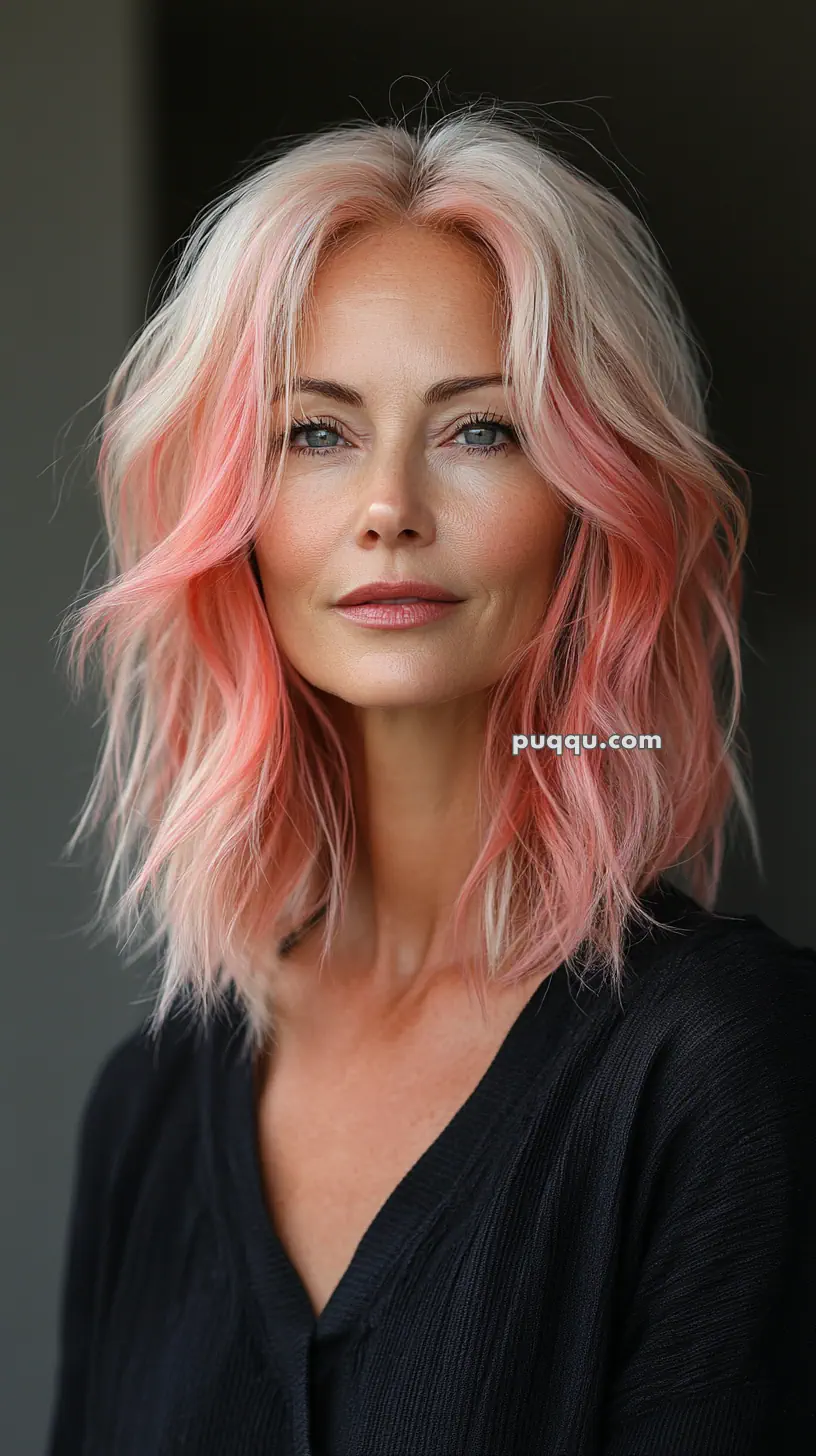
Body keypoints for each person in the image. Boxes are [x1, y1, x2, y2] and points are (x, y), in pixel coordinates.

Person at [46, 103, 816, 1455]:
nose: (389, 503)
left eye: (481, 432)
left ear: (591, 505)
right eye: (315, 435)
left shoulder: (723, 1063)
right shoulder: (148, 1106)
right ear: (232, 515)